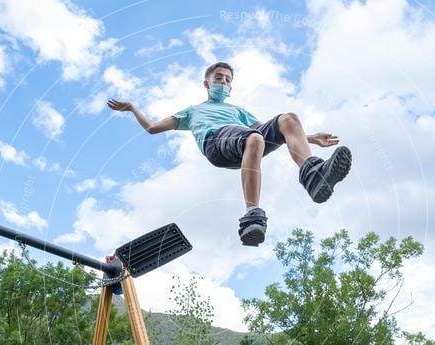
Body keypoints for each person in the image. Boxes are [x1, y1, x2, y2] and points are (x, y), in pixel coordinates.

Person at [107, 61, 351, 246]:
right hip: (216, 143)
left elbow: (277, 133)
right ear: (207, 83)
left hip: (245, 142)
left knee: (288, 120)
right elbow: (152, 128)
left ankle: (314, 176)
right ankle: (252, 216)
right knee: (254, 138)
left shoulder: (238, 110)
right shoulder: (193, 111)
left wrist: (311, 139)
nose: (222, 83)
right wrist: (132, 108)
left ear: (231, 87)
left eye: (227, 80)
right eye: (218, 78)